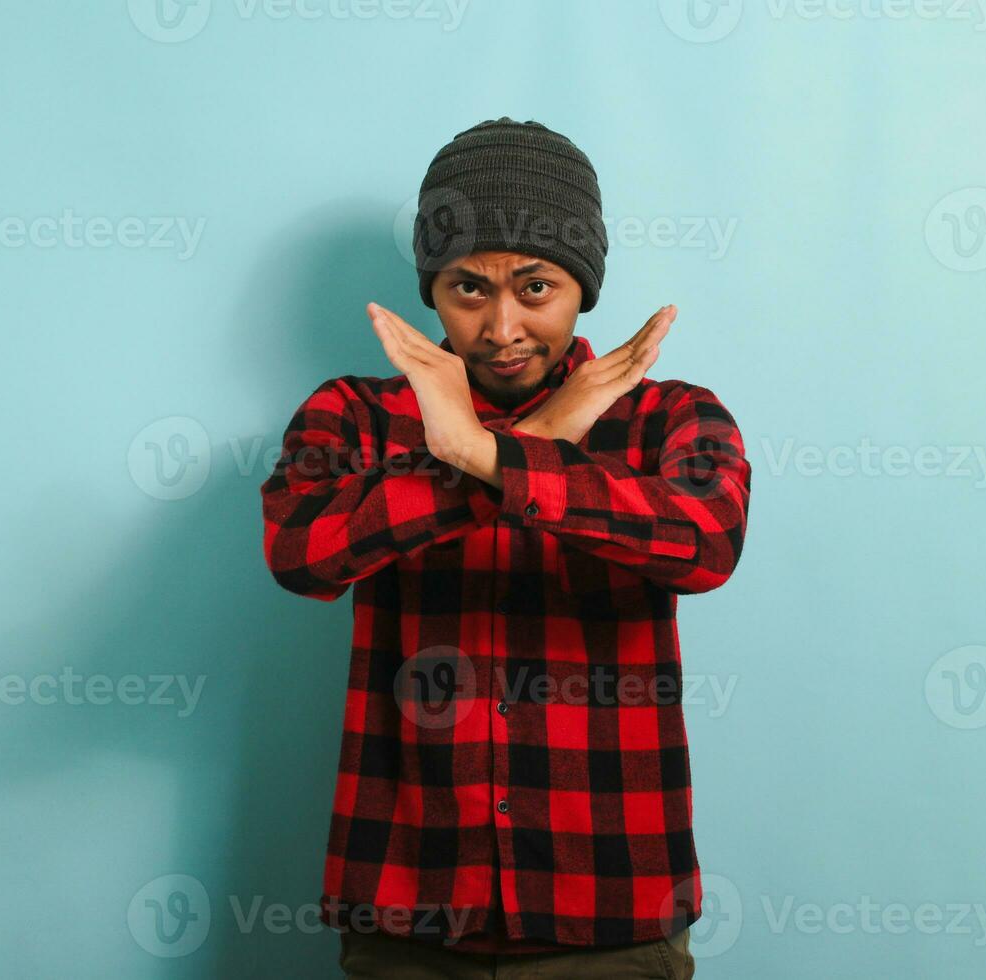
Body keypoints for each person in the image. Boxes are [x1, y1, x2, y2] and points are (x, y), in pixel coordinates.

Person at [261, 116, 751, 979]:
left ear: (583, 287)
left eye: (535, 289)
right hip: (407, 910)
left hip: (611, 913)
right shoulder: (357, 415)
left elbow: (705, 545)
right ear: (432, 289)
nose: (499, 329)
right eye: (467, 289)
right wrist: (520, 455)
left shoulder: (671, 416)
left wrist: (490, 454)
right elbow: (301, 555)